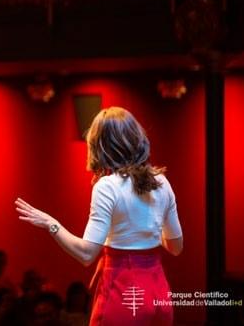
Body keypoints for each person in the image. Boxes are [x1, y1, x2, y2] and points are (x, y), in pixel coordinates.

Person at [15, 106, 183, 325]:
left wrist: (51, 223)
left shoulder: (107, 186)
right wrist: (146, 229)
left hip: (123, 292)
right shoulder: (161, 182)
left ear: (100, 146)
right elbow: (176, 247)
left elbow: (86, 254)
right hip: (158, 292)